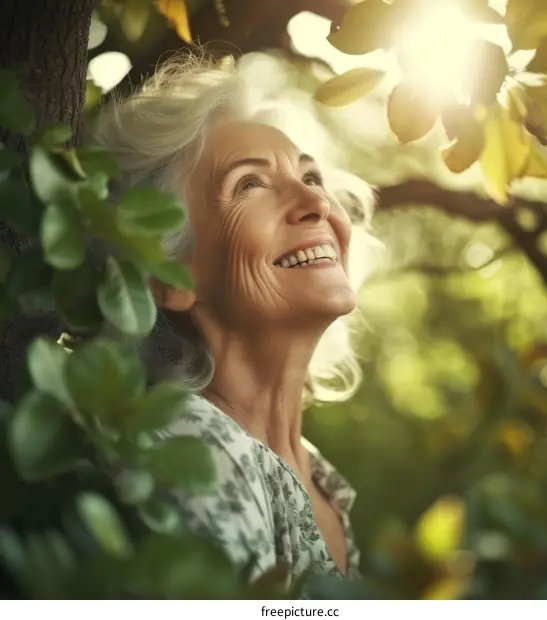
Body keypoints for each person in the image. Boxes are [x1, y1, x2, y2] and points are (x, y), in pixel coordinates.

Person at [89, 50, 384, 587]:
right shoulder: (192, 445)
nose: (313, 202)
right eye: (250, 184)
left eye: (311, 176)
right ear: (170, 274)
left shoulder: (320, 478)